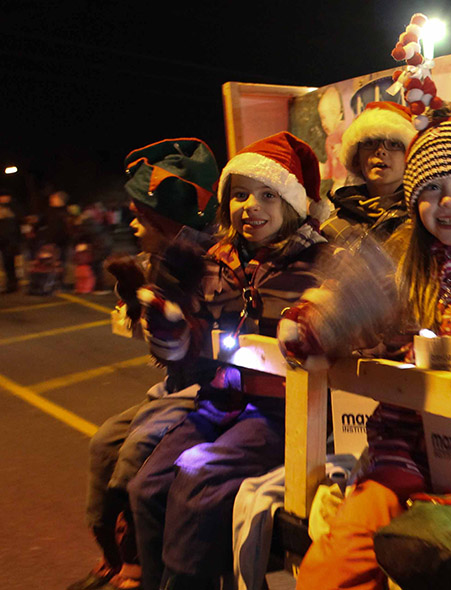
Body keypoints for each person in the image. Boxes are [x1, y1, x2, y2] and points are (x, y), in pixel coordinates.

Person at [127, 132, 333, 590]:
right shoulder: (215, 262)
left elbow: (346, 335)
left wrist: (313, 325)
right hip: (217, 400)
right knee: (146, 487)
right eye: (239, 194)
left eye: (267, 195)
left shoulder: (320, 262)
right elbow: (188, 357)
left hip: (283, 414)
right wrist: (169, 329)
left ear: (294, 204)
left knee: (196, 481)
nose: (250, 206)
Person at [68, 137, 222, 590]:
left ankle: (137, 566)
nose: (133, 228)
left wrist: (165, 321)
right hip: (173, 386)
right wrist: (137, 309)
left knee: (136, 452)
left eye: (141, 219)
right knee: (103, 443)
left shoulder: (205, 269)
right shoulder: (158, 263)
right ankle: (112, 556)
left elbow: (195, 341)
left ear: (167, 224)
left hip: (206, 392)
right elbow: (160, 343)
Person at [320, 101, 416, 248]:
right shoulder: (332, 226)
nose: (380, 151)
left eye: (394, 144)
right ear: (356, 157)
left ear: (409, 156)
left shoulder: (422, 222)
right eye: (370, 142)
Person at [0, 193, 24, 293]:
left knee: (12, 265)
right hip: (3, 241)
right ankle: (11, 284)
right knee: (6, 264)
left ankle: (13, 285)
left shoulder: (14, 207)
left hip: (12, 241)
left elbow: (20, 220)